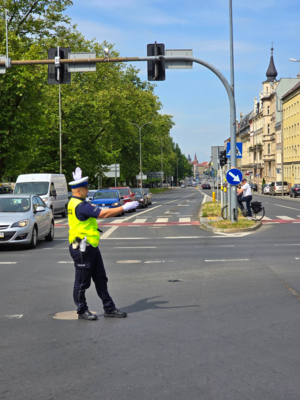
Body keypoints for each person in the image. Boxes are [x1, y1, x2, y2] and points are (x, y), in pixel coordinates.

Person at [68, 167, 139, 321]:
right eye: (86, 188)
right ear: (79, 190)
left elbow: (101, 209)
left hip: (90, 246)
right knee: (81, 283)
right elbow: (103, 214)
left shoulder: (76, 202)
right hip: (82, 248)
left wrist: (116, 207)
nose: (88, 190)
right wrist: (124, 208)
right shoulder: (80, 205)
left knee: (101, 279)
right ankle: (82, 310)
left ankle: (109, 308)